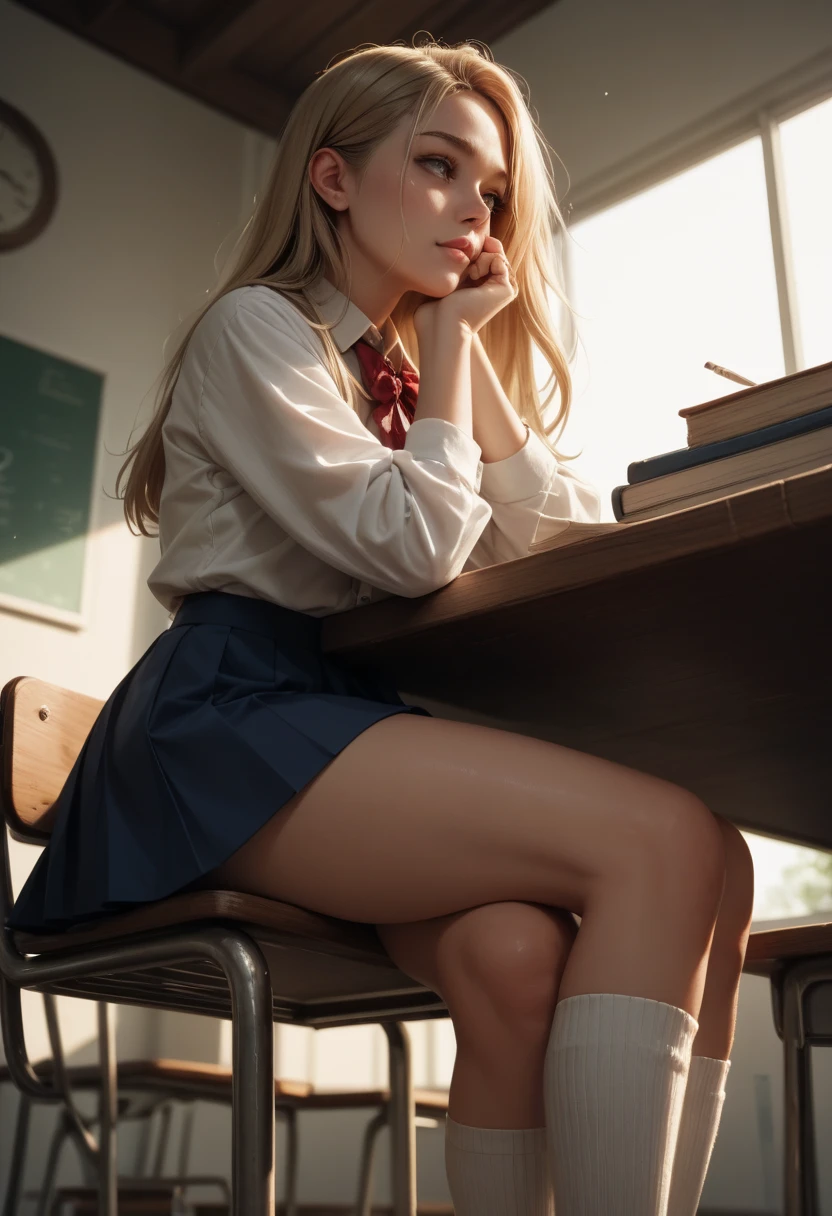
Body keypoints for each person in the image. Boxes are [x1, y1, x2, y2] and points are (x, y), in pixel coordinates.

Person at [7, 37, 754, 1216]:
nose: (474, 211)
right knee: (665, 838)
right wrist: (454, 346)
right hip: (227, 717)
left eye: (493, 191)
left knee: (554, 938)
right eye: (441, 166)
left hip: (339, 711)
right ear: (333, 177)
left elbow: (554, 540)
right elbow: (414, 550)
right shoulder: (257, 331)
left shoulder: (404, 370)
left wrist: (460, 350)